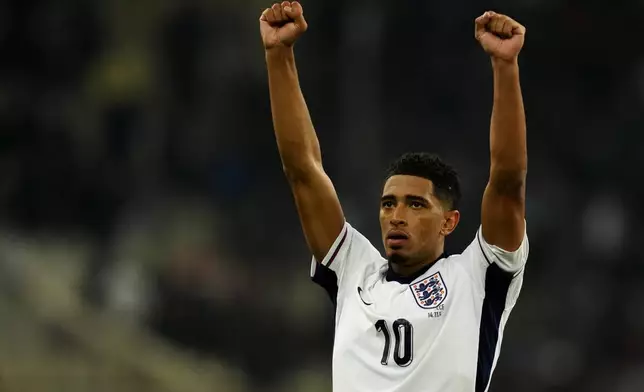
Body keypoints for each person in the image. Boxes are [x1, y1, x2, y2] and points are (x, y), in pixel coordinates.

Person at [260, 2, 529, 391]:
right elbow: (303, 170)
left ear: (449, 221)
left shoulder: (477, 278)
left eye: (416, 204)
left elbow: (507, 182)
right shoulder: (355, 270)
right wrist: (278, 54)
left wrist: (505, 67)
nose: (396, 215)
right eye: (389, 204)